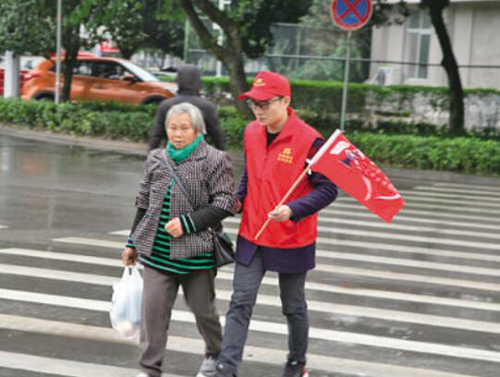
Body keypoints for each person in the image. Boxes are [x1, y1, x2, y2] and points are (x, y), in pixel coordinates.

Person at [214, 72, 338, 377]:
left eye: (265, 103)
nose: (258, 110)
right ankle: (226, 369)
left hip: (291, 236)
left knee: (293, 306)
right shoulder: (252, 132)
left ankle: (297, 365)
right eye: (254, 103)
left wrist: (294, 209)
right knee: (240, 301)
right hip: (253, 232)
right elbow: (250, 174)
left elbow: (328, 189)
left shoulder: (310, 140)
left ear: (285, 101)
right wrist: (238, 200)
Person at [122, 102, 237, 377]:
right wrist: (132, 242)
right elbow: (144, 202)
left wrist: (187, 223)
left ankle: (215, 353)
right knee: (153, 315)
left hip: (197, 254)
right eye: (172, 128)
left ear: (198, 130)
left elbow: (225, 202)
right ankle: (150, 369)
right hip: (157, 253)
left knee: (203, 312)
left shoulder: (214, 159)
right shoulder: (156, 159)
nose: (177, 133)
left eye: (184, 128)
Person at [149, 64, 226, 151]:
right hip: (199, 155)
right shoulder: (207, 107)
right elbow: (217, 135)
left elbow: (156, 135)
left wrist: (150, 157)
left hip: (172, 155)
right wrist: (223, 156)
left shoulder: (166, 105)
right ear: (198, 81)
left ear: (178, 81)